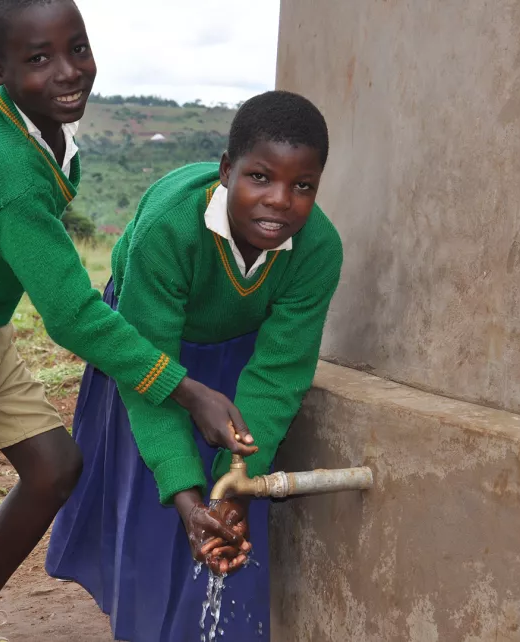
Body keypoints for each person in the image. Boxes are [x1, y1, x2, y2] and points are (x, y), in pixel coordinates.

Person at [0, 1, 255, 640]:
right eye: (39, 59)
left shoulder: (42, 128)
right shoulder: (4, 164)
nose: (68, 72)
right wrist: (189, 388)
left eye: (78, 49)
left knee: (55, 464)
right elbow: (70, 315)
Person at [45, 90, 341, 642]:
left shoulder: (318, 251)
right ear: (227, 170)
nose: (280, 200)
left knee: (224, 514)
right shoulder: (172, 227)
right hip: (147, 345)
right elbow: (145, 370)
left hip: (239, 350)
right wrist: (186, 499)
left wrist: (236, 485)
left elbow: (277, 376)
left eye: (302, 186)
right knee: (155, 502)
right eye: (260, 177)